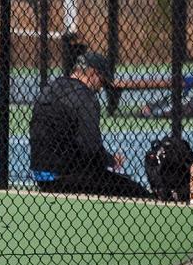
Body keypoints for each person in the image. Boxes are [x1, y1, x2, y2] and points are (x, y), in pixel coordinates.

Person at [29, 51, 152, 198]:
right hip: (67, 176)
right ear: (93, 73)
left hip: (41, 175)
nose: (100, 88)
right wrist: (110, 160)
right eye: (102, 81)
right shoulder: (86, 98)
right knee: (135, 190)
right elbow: (91, 148)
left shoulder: (51, 88)